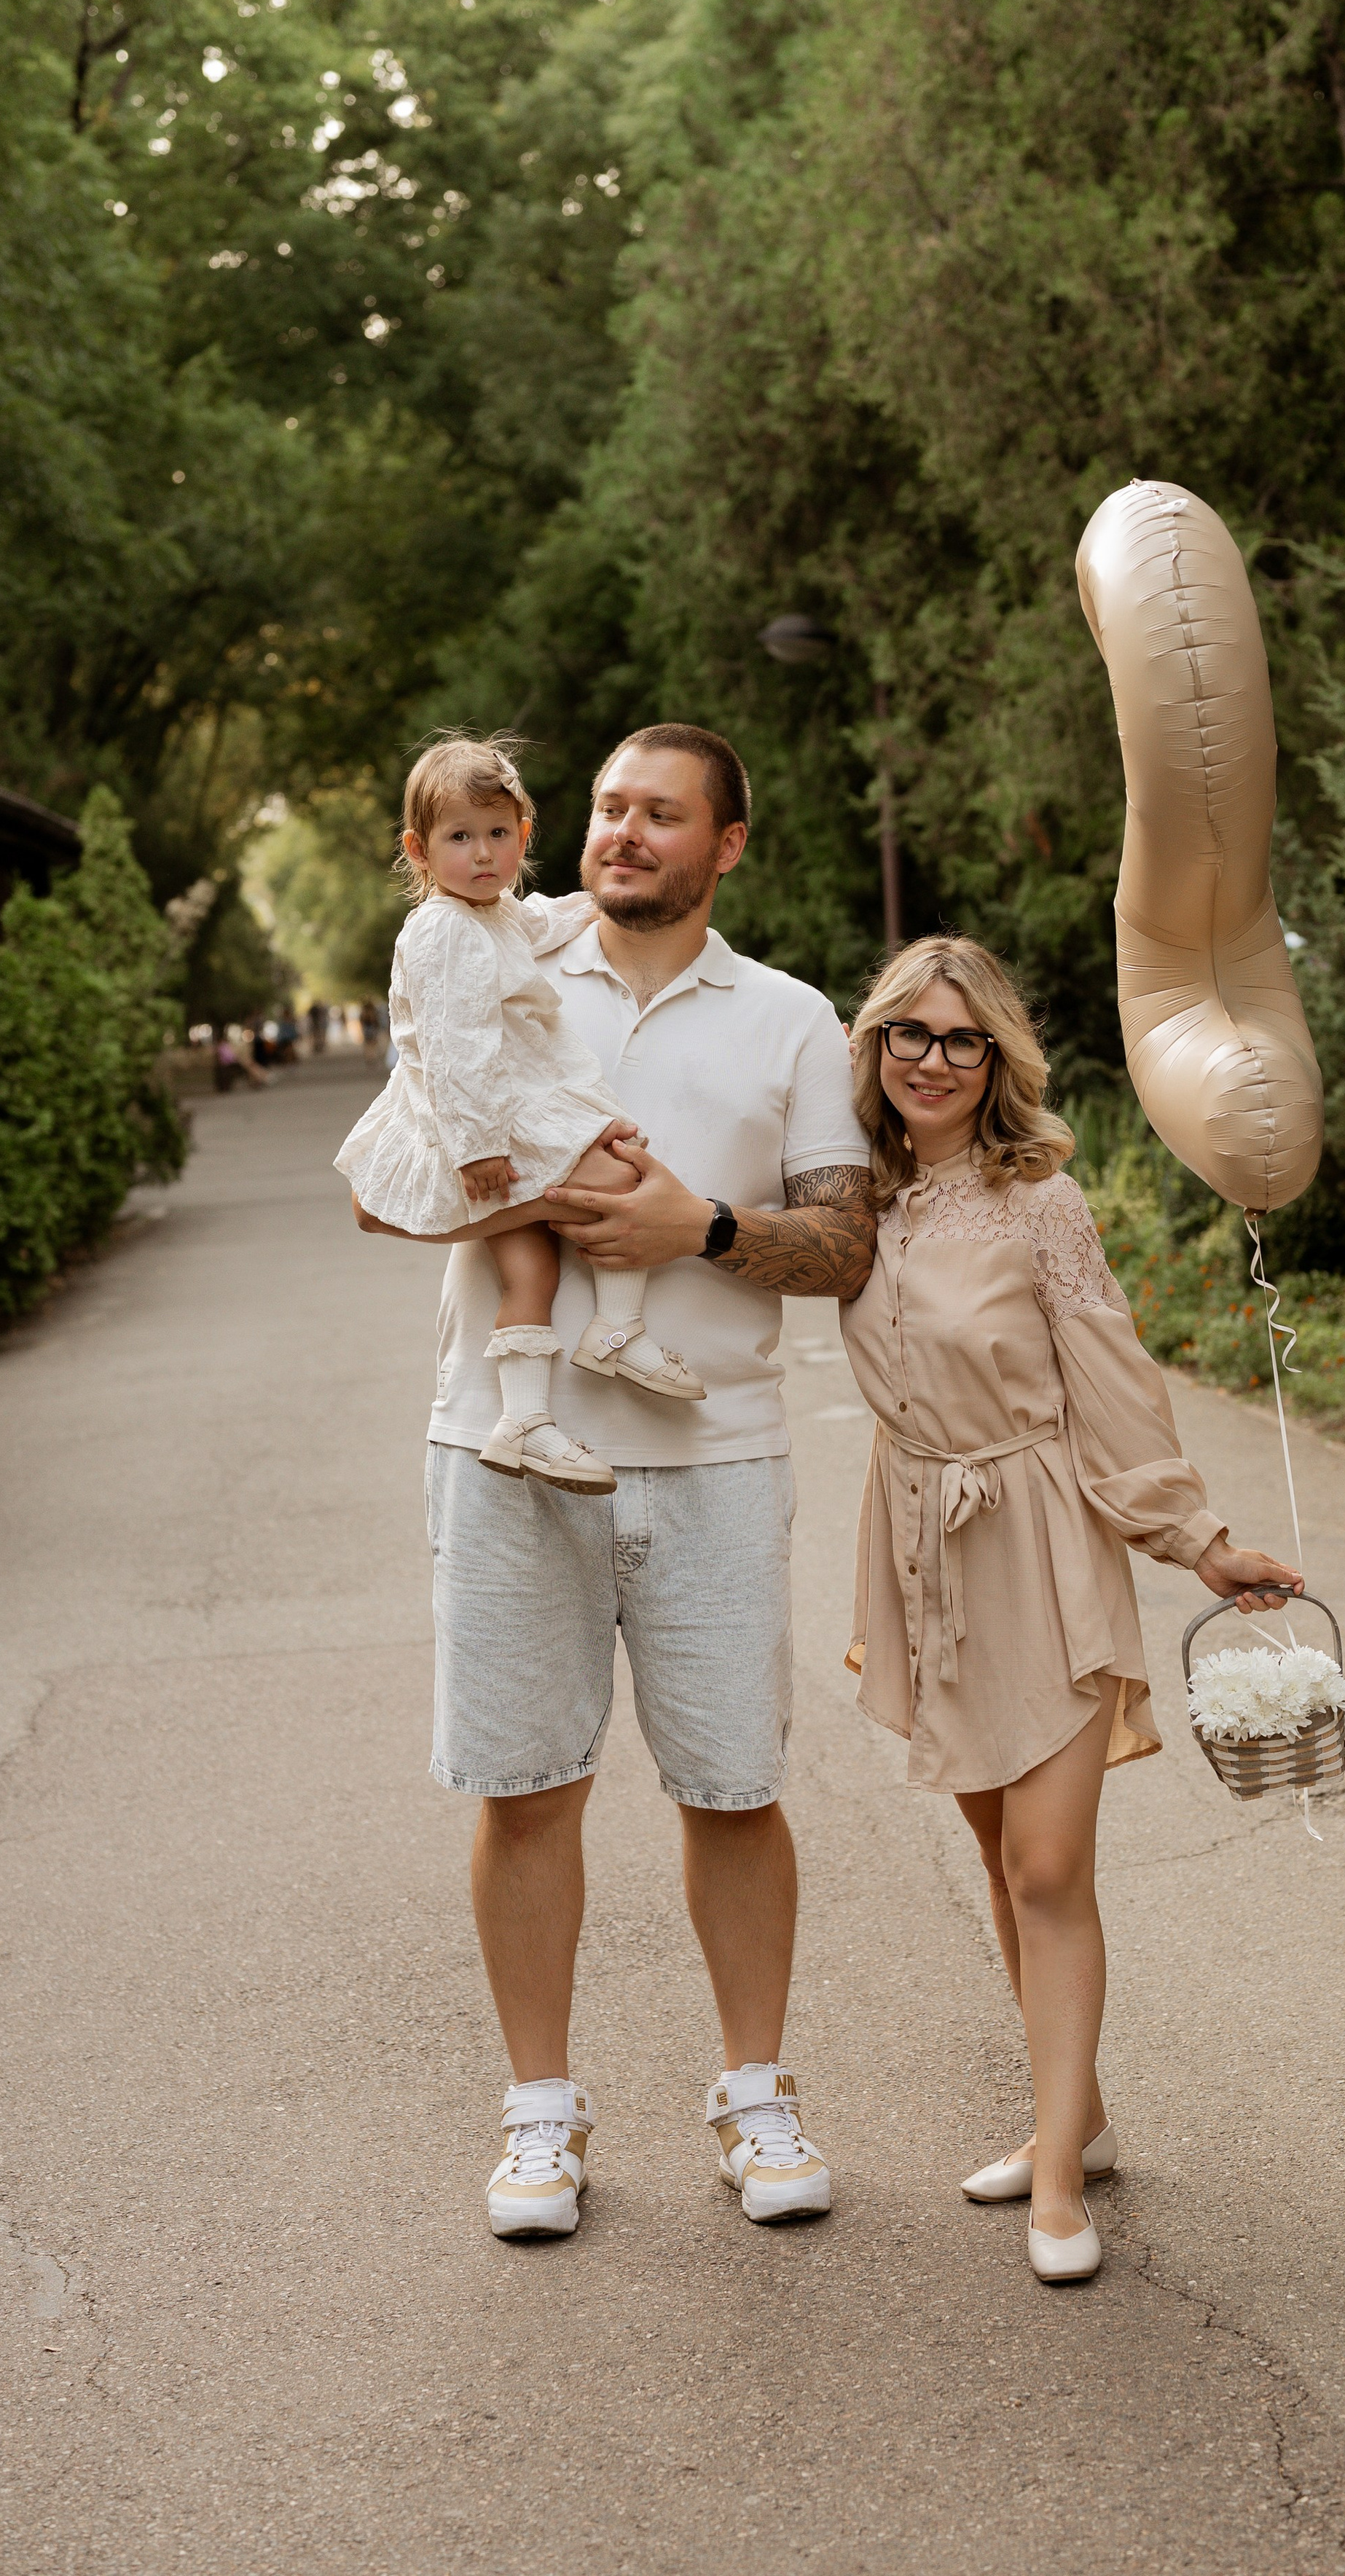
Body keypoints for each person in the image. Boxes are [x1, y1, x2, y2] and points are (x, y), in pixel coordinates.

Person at [350, 726, 874, 2240]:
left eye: (661, 814)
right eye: (606, 808)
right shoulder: (485, 954)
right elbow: (395, 1189)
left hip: (715, 1456)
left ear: (728, 845)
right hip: (506, 1451)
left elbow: (841, 1243)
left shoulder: (788, 1018)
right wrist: (522, 1191)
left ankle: (754, 2093)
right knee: (524, 1792)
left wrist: (693, 1230)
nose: (621, 833)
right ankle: (537, 2118)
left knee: (734, 1790)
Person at [839, 935, 1301, 2286]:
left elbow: (1111, 1378)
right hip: (920, 1542)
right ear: (874, 1048)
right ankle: (1077, 2117)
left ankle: (1055, 2174)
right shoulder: (850, 1200)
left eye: (960, 1037)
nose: (931, 1058)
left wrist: (1196, 1536)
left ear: (998, 1062)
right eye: (908, 1034)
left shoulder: (1041, 1201)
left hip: (1038, 1540)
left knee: (1048, 1866)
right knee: (997, 1857)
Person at [335, 732, 705, 1495]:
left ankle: (523, 1420)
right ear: (419, 848)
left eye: (498, 833)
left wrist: (595, 901)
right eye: (460, 837)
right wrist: (477, 1147)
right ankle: (615, 1330)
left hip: (503, 1105)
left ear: (523, 836)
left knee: (531, 1268)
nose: (482, 854)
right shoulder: (441, 929)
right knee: (618, 1168)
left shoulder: (493, 914)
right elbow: (452, 1047)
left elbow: (536, 925)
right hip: (480, 1117)